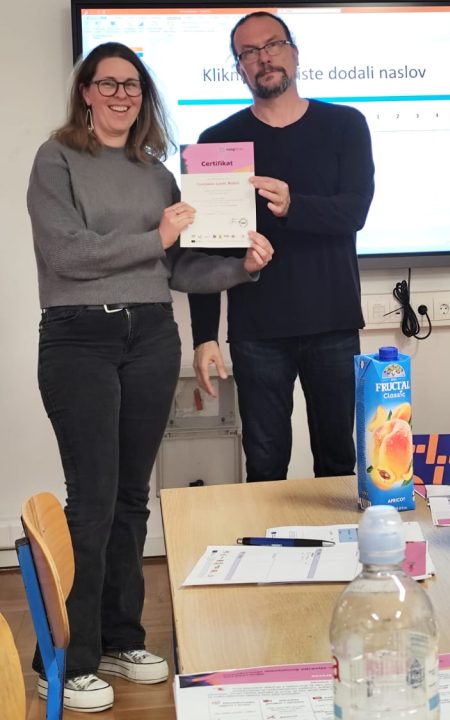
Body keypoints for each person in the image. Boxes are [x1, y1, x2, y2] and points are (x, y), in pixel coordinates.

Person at [27, 42, 274, 713]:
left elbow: (180, 268)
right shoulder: (56, 159)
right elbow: (67, 254)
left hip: (151, 336)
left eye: (133, 85)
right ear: (85, 91)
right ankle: (65, 661)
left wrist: (243, 267)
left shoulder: (158, 173)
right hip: (80, 338)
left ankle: (120, 638)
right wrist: (155, 238)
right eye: (108, 83)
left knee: (133, 498)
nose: (122, 95)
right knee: (93, 499)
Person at [189, 11, 375, 482]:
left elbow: (354, 212)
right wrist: (205, 335)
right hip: (257, 331)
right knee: (265, 465)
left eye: (272, 45)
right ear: (239, 68)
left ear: (294, 52)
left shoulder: (345, 125)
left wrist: (294, 205)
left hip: (332, 323)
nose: (263, 58)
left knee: (338, 461)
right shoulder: (217, 142)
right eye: (249, 52)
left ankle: (338, 536)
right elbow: (204, 254)